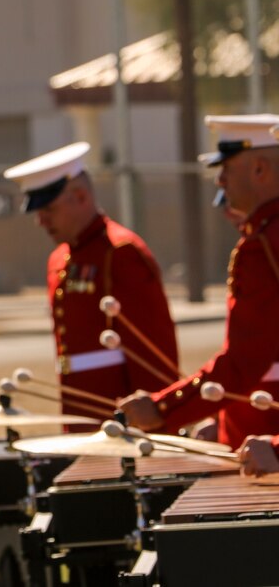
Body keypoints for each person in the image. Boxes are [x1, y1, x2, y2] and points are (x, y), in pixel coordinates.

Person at [118, 114, 279, 449]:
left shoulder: (263, 246)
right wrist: (220, 419)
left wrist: (163, 408)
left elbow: (244, 363)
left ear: (260, 170)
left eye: (226, 168)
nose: (220, 181)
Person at [4, 142, 180, 431]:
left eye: (49, 208)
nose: (40, 220)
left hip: (123, 419)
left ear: (81, 196)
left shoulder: (120, 252)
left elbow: (153, 353)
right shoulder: (60, 258)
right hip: (80, 413)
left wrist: (158, 419)